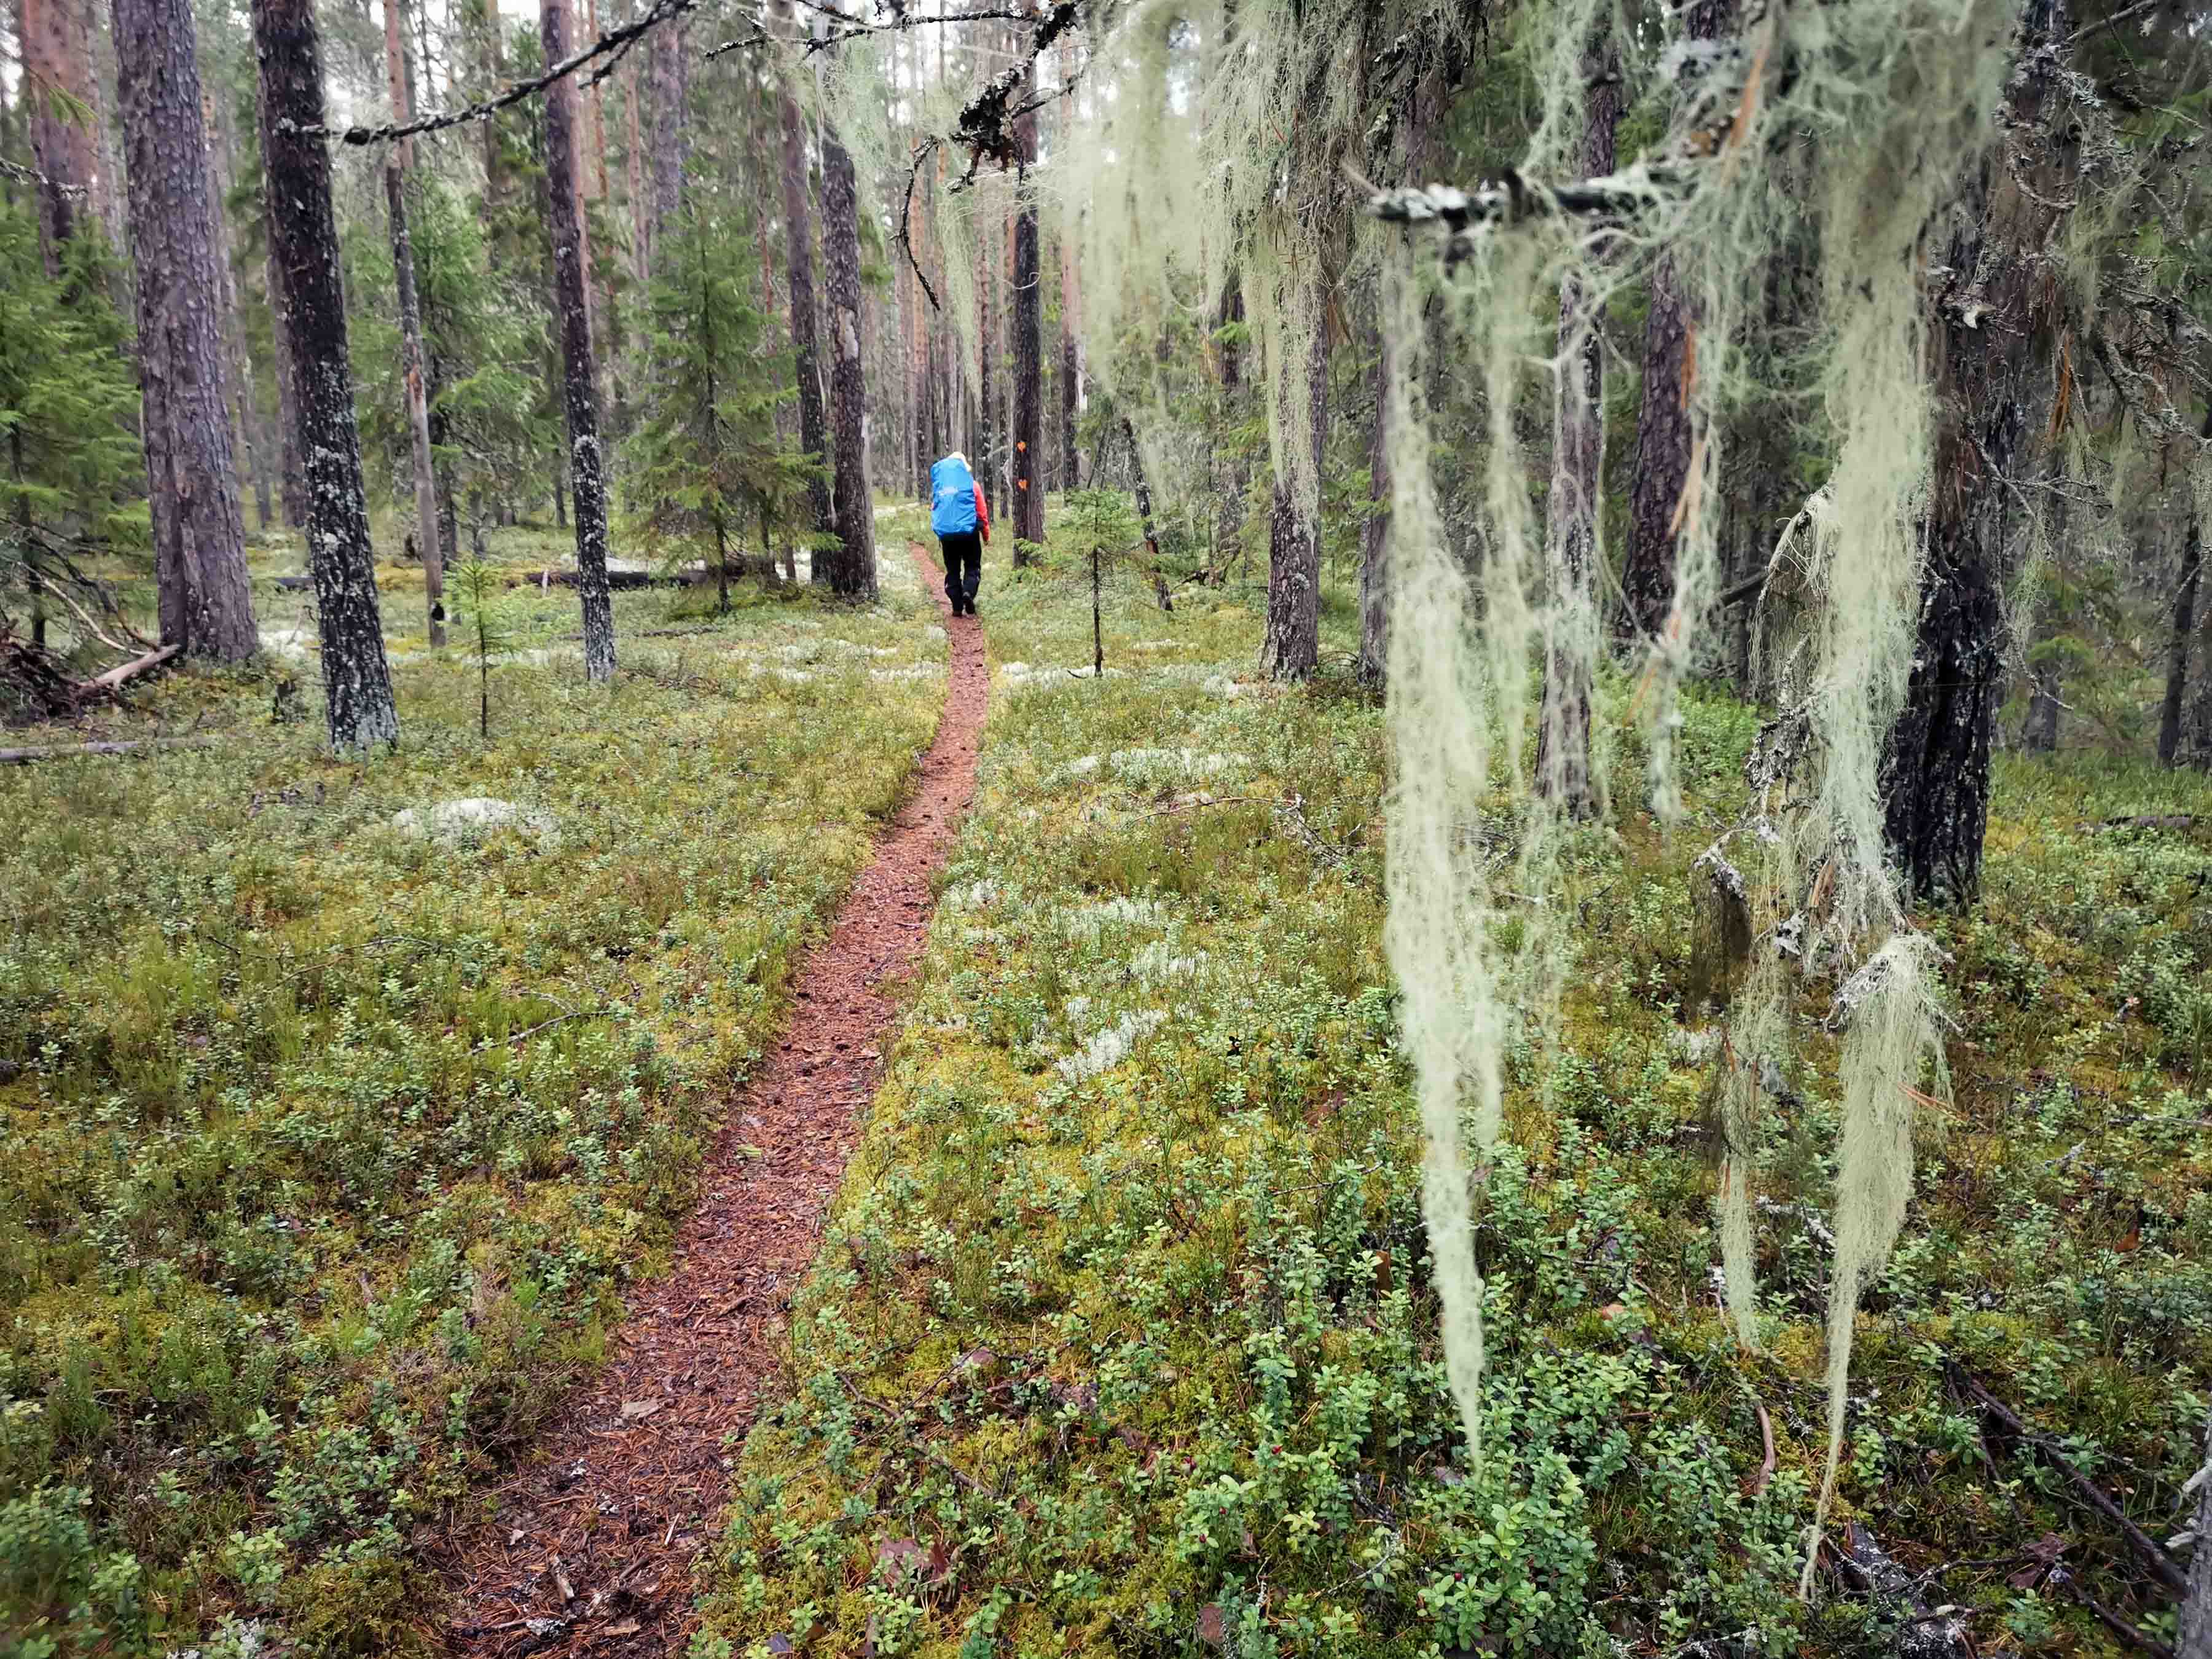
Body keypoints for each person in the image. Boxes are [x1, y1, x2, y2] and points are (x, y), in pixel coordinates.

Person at [928, 450, 989, 616]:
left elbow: (935, 510)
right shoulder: (972, 485)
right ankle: (968, 592)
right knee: (972, 566)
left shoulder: (941, 488)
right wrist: (986, 535)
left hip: (948, 537)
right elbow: (982, 512)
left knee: (953, 570)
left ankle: (956, 605)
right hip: (970, 534)